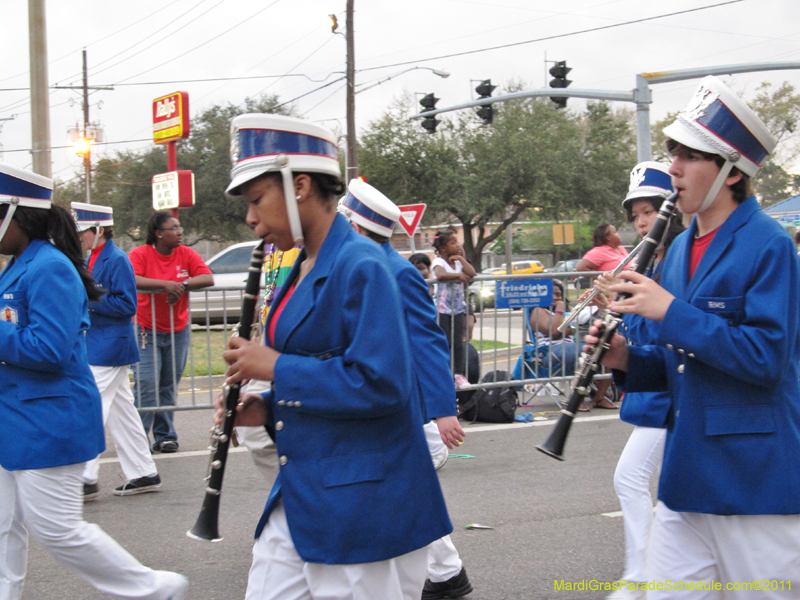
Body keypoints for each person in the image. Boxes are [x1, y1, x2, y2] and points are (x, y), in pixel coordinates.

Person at [220, 114, 452, 600]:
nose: (250, 218)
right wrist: (266, 408)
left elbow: (382, 384)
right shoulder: (304, 263)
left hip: (355, 494)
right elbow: (317, 368)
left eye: (257, 200)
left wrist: (273, 367)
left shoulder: (361, 264)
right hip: (307, 485)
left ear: (299, 186)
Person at [589, 76, 800, 599]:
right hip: (689, 476)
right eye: (673, 154)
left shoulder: (769, 246)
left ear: (730, 172)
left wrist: (671, 311)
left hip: (755, 479)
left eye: (690, 157)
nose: (674, 169)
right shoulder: (681, 250)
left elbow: (764, 360)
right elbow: (679, 364)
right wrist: (623, 358)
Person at [0, 164, 187, 600]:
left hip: (47, 420)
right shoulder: (19, 266)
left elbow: (48, 348)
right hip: (17, 419)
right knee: (4, 525)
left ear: (16, 214)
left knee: (59, 530)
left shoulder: (49, 268)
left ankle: (156, 588)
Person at [338, 178, 472, 600]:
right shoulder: (360, 263)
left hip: (402, 404)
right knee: (403, 491)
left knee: (396, 489)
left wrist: (443, 408)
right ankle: (448, 574)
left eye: (343, 220)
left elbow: (427, 339)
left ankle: (442, 575)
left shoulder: (394, 270)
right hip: (382, 402)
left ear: (357, 226)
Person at [601, 163, 684, 600]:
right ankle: (652, 574)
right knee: (659, 489)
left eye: (649, 211)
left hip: (672, 392)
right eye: (636, 215)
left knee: (631, 478)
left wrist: (629, 304)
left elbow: (669, 328)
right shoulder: (652, 261)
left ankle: (641, 578)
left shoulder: (677, 261)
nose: (641, 222)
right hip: (655, 387)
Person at [71, 203, 162, 501]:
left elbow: (127, 305)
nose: (80, 237)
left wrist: (90, 299)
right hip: (100, 344)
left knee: (90, 406)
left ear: (98, 230)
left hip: (109, 346)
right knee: (122, 411)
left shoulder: (117, 258)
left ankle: (85, 477)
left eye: (83, 231)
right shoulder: (93, 257)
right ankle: (142, 471)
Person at [129, 212, 213, 453]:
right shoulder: (141, 254)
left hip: (177, 330)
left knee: (168, 384)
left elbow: (207, 277)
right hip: (145, 329)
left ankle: (165, 436)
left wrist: (182, 285)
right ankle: (136, 440)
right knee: (147, 384)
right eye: (173, 228)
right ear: (158, 233)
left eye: (180, 228)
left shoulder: (186, 253)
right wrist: (165, 285)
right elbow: (131, 278)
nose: (180, 232)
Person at [431, 227, 476, 384]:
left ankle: (459, 374)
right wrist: (458, 275)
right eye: (453, 242)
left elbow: (472, 273)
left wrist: (461, 260)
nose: (458, 245)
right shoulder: (439, 262)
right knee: (445, 342)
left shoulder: (457, 263)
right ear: (443, 248)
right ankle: (444, 372)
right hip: (442, 310)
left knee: (458, 343)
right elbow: (440, 275)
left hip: (457, 310)